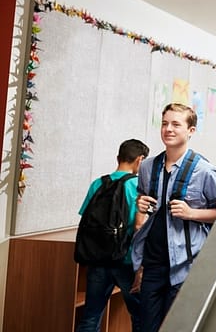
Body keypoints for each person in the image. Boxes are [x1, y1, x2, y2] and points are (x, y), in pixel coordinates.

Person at [133, 103, 216, 332]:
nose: (168, 129)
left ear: (191, 130)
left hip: (187, 264)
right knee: (146, 327)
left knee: (178, 327)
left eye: (176, 124)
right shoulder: (146, 166)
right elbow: (144, 200)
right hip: (152, 263)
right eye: (165, 124)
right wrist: (140, 204)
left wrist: (191, 213)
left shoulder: (205, 170)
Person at [76, 139, 149, 332]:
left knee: (90, 317)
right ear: (140, 160)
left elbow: (85, 217)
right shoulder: (138, 186)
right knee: (140, 317)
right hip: (127, 260)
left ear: (118, 157)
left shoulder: (97, 183)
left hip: (98, 259)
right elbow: (140, 226)